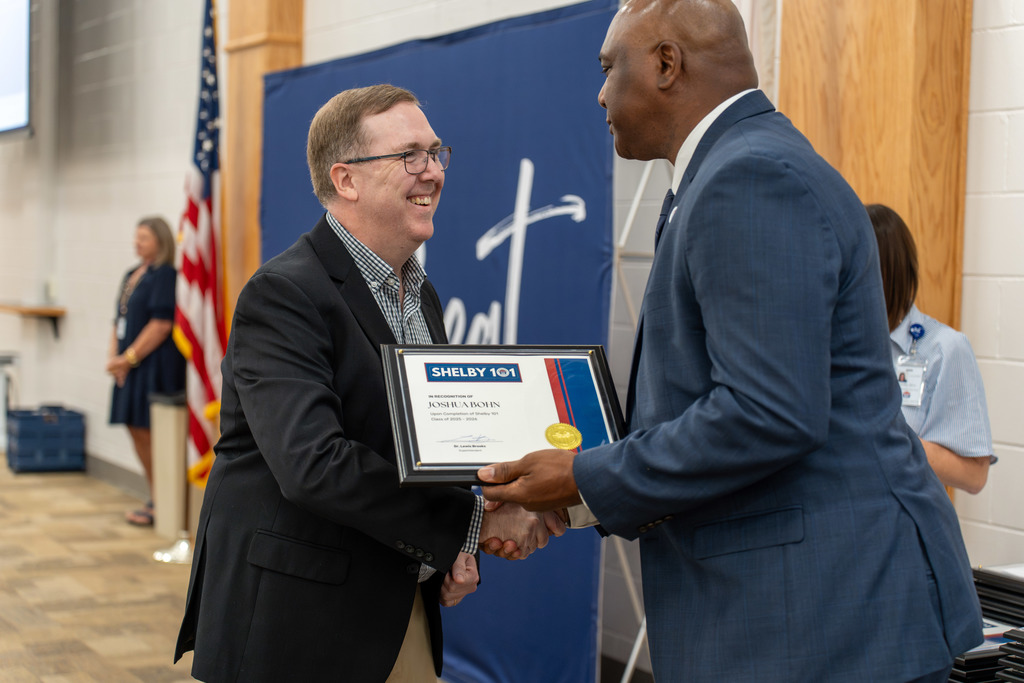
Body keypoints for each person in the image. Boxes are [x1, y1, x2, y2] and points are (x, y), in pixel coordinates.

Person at [477, 1, 983, 681]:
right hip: (808, 613)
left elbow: (768, 411)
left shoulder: (748, 178)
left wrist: (583, 476)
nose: (599, 92)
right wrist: (575, 495)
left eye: (608, 67)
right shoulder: (729, 171)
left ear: (665, 62)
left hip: (818, 622)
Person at [174, 84, 562, 683]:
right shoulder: (284, 294)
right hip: (296, 626)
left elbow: (423, 443)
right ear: (346, 179)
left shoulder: (420, 294)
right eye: (410, 155)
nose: (432, 172)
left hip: (396, 604)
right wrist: (472, 524)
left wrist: (458, 538)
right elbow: (315, 465)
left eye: (436, 153)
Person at [868, 203, 994, 494]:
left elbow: (975, 476)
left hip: (903, 524)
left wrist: (890, 441)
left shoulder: (945, 348)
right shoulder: (832, 342)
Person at [106, 216, 185, 526]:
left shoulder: (165, 275)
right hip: (128, 365)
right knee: (134, 428)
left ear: (160, 242)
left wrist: (128, 359)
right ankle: (154, 495)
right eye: (136, 237)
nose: (137, 243)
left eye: (144, 238)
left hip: (152, 365)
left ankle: (162, 500)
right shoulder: (131, 274)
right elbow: (118, 320)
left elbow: (161, 324)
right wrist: (114, 359)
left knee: (150, 431)